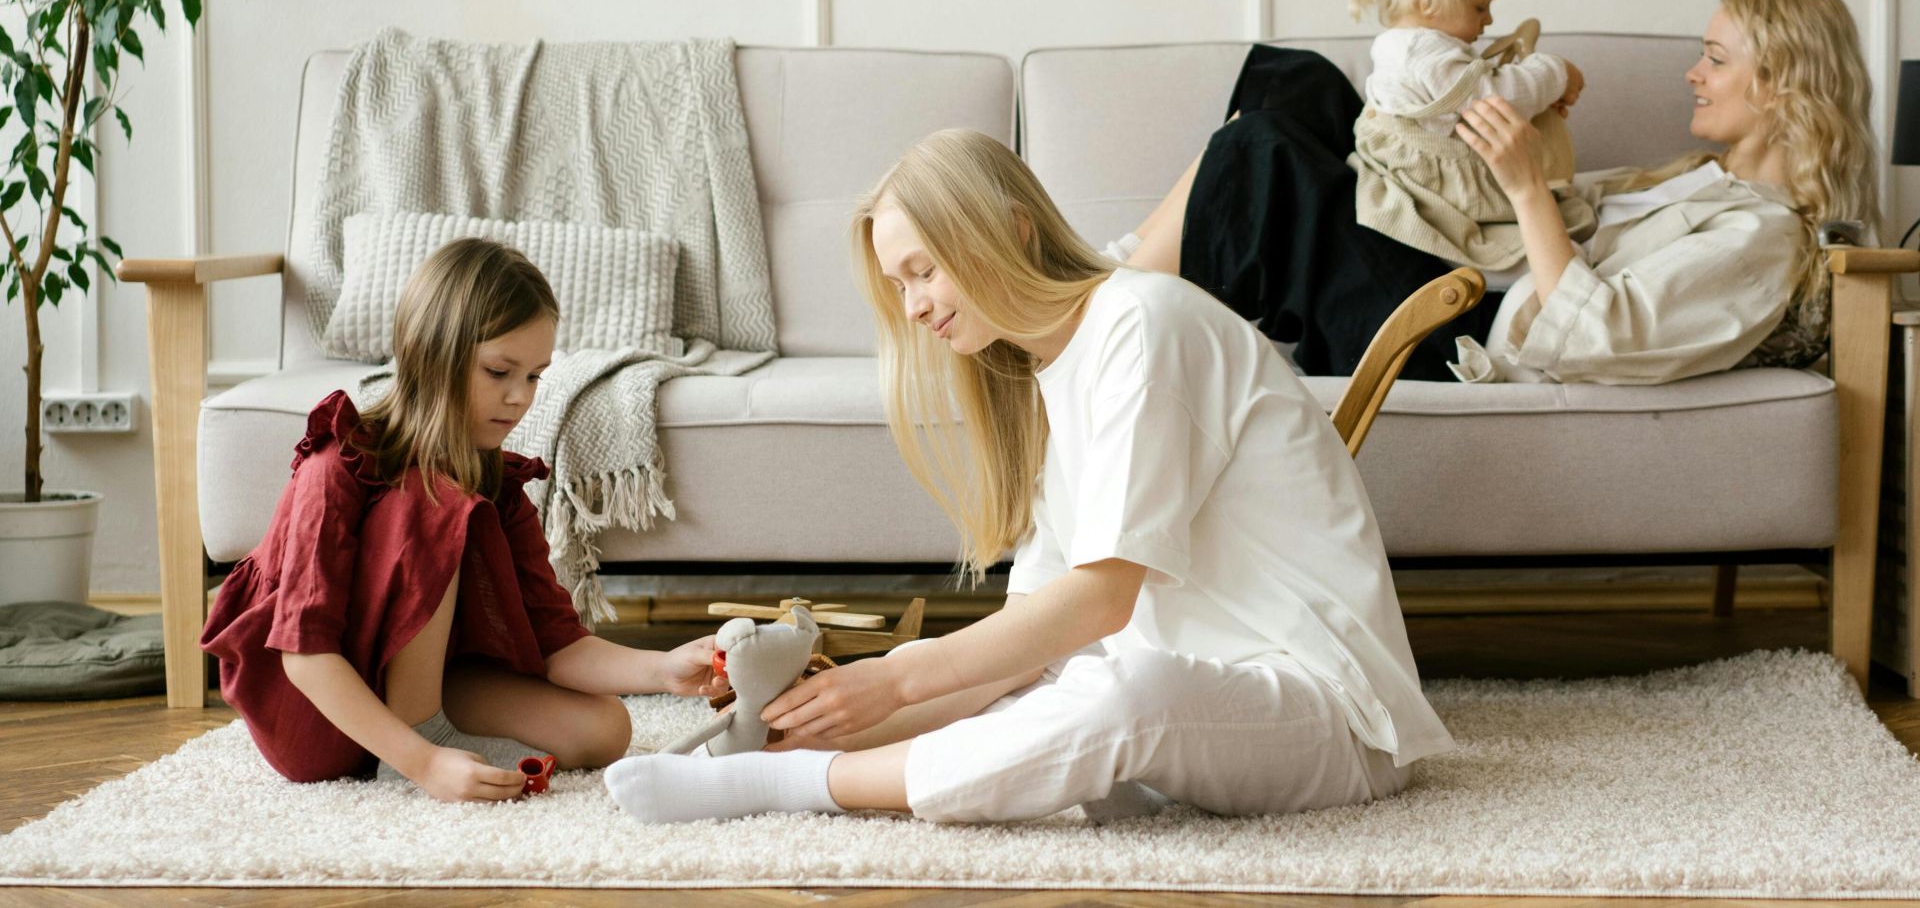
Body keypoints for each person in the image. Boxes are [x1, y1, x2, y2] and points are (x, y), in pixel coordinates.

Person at [602, 128, 1453, 824]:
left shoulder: (1142, 324)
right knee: (1055, 681)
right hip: (1202, 695)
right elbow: (1024, 646)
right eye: (900, 284)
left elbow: (1101, 601)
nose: (913, 307)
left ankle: (785, 788)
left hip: (1331, 715)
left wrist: (888, 683)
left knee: (1130, 690)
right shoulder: (1050, 377)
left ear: (1009, 228)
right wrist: (832, 721)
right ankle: (804, 762)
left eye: (923, 270)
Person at [1140, 0, 1878, 385]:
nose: (1694, 73)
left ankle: (1105, 307)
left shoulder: (1764, 235)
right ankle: (1120, 280)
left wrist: (1527, 189)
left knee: (1264, 150)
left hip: (1453, 326)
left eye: (1716, 59)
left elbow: (1600, 333)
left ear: (1781, 85)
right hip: (1460, 266)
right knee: (1301, 84)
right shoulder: (1699, 180)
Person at [200, 238, 726, 803]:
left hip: (417, 682)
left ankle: (423, 724)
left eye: (534, 377)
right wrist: (425, 762)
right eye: (500, 371)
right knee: (433, 497)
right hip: (313, 712)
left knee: (605, 730)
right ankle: (414, 741)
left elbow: (559, 646)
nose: (519, 397)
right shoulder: (337, 467)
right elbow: (304, 657)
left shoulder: (496, 482)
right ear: (434, 355)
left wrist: (664, 669)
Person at [1346, 0, 1594, 274]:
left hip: (1416, 175)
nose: (1489, 19)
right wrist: (1555, 73)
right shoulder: (1423, 53)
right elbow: (1494, 97)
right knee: (1564, 233)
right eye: (1480, 6)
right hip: (1438, 199)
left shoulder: (1404, 45)